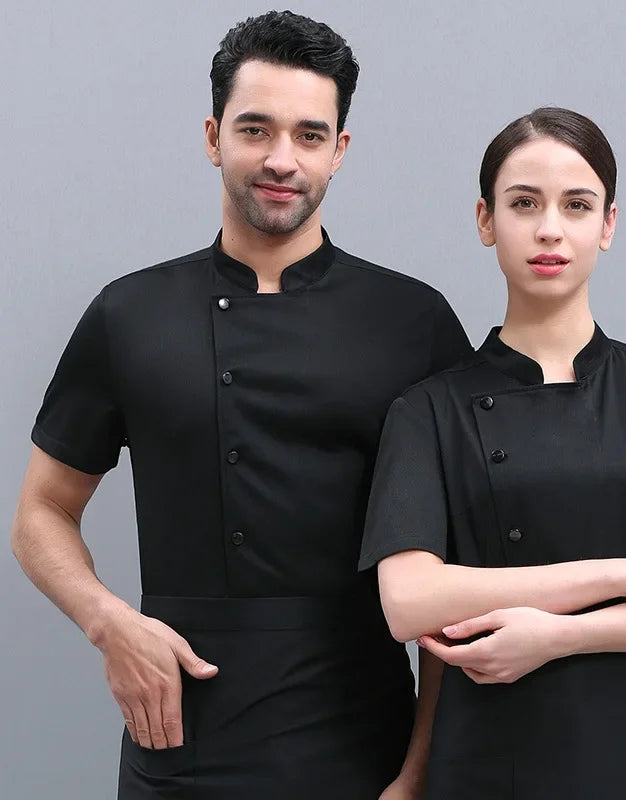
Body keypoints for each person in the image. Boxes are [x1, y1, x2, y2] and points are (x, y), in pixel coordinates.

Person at [10, 11, 471, 799]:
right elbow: (39, 513)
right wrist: (108, 623)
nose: (281, 159)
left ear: (339, 151)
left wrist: (419, 773)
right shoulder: (130, 314)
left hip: (363, 741)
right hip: (178, 739)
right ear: (213, 137)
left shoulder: (414, 322)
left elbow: (455, 569)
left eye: (309, 135)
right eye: (255, 129)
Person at [359, 107, 626, 799]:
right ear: (486, 220)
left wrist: (557, 636)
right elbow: (408, 602)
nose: (549, 228)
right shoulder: (427, 410)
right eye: (524, 203)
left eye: (577, 205)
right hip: (487, 758)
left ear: (608, 224)